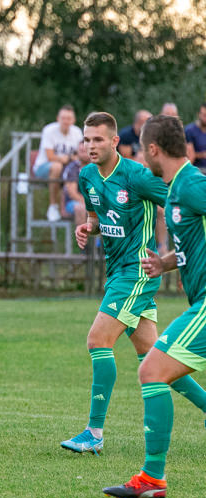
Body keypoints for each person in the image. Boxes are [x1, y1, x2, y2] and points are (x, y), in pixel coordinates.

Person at [61, 112, 206, 462]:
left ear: (114, 141)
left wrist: (173, 251)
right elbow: (96, 219)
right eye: (86, 139)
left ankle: (94, 433)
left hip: (137, 270)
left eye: (98, 139)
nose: (90, 146)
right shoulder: (86, 177)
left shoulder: (138, 175)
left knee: (98, 340)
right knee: (155, 358)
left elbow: (173, 197)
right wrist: (88, 229)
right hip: (118, 272)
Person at [104, 115, 206, 498]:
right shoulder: (179, 186)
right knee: (156, 367)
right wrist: (165, 263)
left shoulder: (192, 185)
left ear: (152, 150)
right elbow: (193, 245)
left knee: (151, 370)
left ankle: (152, 478)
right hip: (198, 301)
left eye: (143, 153)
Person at [34, 105, 83, 221]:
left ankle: (73, 205)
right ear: (58, 118)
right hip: (44, 168)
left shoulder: (77, 132)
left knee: (81, 168)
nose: (66, 121)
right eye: (63, 118)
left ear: (73, 120)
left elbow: (80, 155)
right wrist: (68, 159)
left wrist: (69, 159)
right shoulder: (49, 130)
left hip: (68, 170)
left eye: (69, 118)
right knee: (57, 166)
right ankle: (53, 206)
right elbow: (50, 157)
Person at [60, 141, 89, 227]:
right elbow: (72, 193)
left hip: (93, 202)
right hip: (72, 203)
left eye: (86, 151)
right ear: (77, 153)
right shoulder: (72, 168)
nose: (84, 154)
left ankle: (102, 240)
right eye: (81, 151)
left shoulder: (97, 167)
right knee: (81, 208)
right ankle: (82, 240)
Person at [184, 103, 206, 170]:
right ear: (198, 114)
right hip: (197, 169)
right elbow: (190, 155)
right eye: (204, 115)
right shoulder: (189, 131)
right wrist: (202, 155)